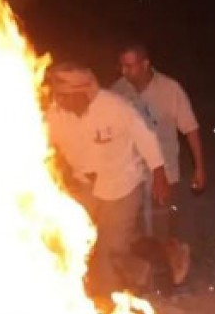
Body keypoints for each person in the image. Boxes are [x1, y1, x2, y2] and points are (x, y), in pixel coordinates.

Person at [44, 62, 170, 296]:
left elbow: (145, 137)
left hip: (122, 185)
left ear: (82, 94)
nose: (59, 100)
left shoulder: (114, 107)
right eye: (58, 95)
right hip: (84, 187)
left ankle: (109, 300)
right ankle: (149, 254)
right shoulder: (55, 115)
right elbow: (40, 145)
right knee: (69, 239)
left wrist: (159, 173)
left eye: (65, 96)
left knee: (109, 251)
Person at [110, 43, 204, 285]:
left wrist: (200, 168)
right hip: (129, 175)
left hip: (165, 172)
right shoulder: (117, 92)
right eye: (121, 66)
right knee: (134, 233)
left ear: (145, 64)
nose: (124, 71)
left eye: (130, 66)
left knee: (161, 231)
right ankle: (143, 283)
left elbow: (191, 129)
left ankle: (169, 280)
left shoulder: (170, 90)